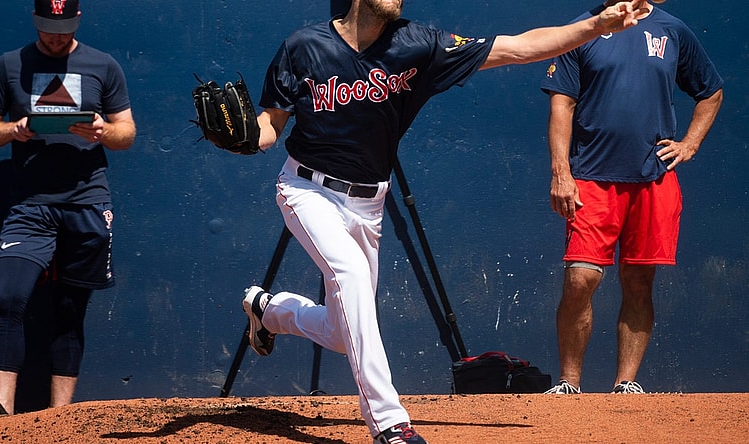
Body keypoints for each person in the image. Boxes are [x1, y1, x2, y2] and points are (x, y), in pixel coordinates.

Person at [241, 0, 646, 442]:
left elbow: (520, 48)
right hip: (307, 189)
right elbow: (269, 127)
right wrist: (243, 137)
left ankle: (269, 310)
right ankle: (390, 423)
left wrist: (597, 24)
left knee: (344, 332)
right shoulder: (303, 46)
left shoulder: (418, 45)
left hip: (369, 203)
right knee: (350, 274)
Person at [540, 0, 723, 395]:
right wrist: (561, 172)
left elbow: (710, 91)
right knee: (580, 280)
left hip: (652, 180)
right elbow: (562, 104)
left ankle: (626, 384)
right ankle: (568, 384)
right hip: (591, 179)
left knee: (639, 281)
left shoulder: (672, 30)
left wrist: (689, 144)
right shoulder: (582, 30)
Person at [0, 0, 136, 416]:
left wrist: (103, 130)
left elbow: (127, 132)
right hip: (29, 206)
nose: (55, 36)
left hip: (87, 202)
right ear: (35, 21)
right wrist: (14, 129)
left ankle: (57, 419)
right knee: (8, 298)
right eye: (47, 28)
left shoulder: (103, 65)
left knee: (69, 309)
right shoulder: (10, 65)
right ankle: (1, 413)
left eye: (63, 28)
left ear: (77, 21)